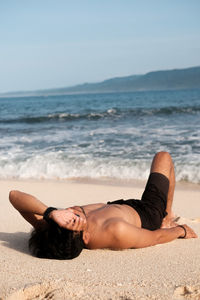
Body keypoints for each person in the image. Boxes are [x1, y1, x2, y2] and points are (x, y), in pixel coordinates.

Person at [9, 152, 197, 260]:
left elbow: (14, 197)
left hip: (119, 206)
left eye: (67, 219)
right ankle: (167, 215)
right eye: (74, 222)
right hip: (148, 213)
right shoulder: (116, 230)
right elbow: (155, 237)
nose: (71, 215)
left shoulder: (55, 229)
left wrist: (50, 212)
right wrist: (180, 230)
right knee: (163, 157)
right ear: (87, 237)